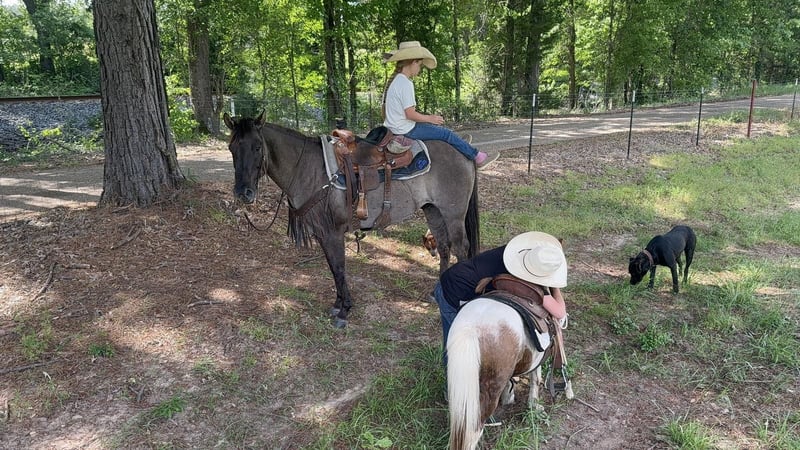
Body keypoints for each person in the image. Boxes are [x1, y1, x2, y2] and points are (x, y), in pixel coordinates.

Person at [432, 231, 568, 365]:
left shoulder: (516, 253)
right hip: (452, 292)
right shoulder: (527, 279)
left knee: (458, 344)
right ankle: (451, 374)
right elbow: (559, 312)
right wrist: (554, 287)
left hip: (455, 277)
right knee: (457, 348)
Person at [382, 41, 499, 170]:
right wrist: (430, 118)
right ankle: (477, 157)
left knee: (435, 130)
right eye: (420, 65)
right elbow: (410, 114)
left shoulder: (396, 80)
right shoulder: (405, 83)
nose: (419, 69)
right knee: (445, 134)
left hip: (395, 128)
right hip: (405, 129)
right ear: (413, 62)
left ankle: (459, 145)